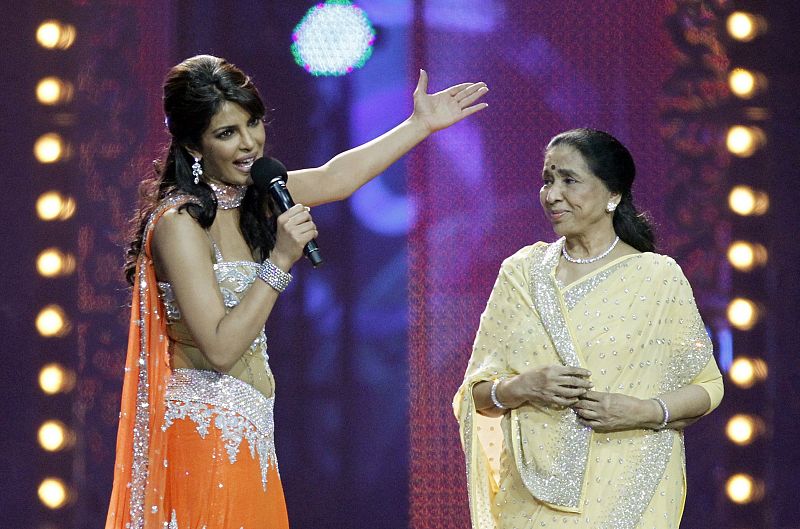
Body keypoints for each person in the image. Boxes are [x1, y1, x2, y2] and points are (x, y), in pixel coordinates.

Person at [106, 54, 488, 529]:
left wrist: (418, 125)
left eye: (253, 123)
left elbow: (336, 177)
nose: (249, 143)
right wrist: (281, 261)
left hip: (251, 433)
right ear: (193, 145)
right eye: (227, 133)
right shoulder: (179, 223)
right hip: (203, 439)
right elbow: (222, 348)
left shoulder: (253, 198)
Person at [454, 128, 723, 529]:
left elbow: (708, 386)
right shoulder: (521, 274)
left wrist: (644, 411)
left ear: (612, 194)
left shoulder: (657, 277)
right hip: (528, 499)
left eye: (569, 180)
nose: (552, 194)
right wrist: (522, 386)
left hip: (628, 486)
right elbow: (476, 395)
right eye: (547, 180)